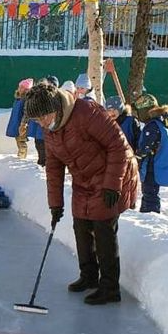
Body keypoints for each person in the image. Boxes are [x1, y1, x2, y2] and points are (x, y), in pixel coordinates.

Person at [24, 83, 139, 304]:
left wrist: (112, 185)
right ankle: (88, 277)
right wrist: (55, 203)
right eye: (37, 120)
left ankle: (110, 288)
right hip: (84, 179)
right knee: (81, 226)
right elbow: (54, 167)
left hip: (112, 173)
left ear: (55, 108)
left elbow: (119, 146)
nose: (42, 124)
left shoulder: (87, 113)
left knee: (103, 229)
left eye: (43, 117)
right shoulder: (51, 130)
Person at [133, 94, 168, 214]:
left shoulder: (152, 126)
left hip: (152, 164)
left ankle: (150, 212)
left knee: (149, 190)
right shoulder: (160, 121)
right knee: (151, 190)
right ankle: (148, 210)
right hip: (158, 162)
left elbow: (146, 145)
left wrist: (138, 156)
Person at [5, 78, 33, 159]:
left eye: (22, 88)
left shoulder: (26, 99)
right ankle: (20, 153)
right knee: (17, 138)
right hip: (16, 122)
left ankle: (22, 155)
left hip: (22, 123)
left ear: (26, 90)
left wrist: (23, 123)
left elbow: (26, 113)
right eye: (19, 87)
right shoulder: (18, 98)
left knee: (21, 140)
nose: (19, 89)